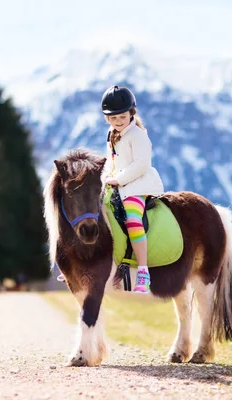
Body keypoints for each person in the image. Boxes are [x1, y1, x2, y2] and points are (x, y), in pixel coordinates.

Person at [101, 85, 165, 294]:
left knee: (133, 220)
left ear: (131, 113)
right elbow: (112, 162)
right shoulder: (111, 134)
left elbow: (141, 164)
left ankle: (144, 272)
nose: (118, 122)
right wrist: (105, 179)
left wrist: (118, 180)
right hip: (116, 183)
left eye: (122, 117)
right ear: (107, 119)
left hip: (137, 185)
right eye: (113, 118)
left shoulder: (137, 135)